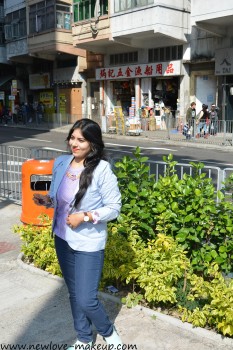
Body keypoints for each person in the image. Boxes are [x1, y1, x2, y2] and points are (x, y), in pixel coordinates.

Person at [33, 119, 123, 349]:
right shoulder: (62, 162)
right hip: (62, 238)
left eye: (81, 140)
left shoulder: (101, 169)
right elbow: (60, 197)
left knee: (86, 298)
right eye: (72, 138)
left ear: (93, 144)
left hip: (88, 242)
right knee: (74, 293)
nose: (74, 143)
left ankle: (109, 332)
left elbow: (114, 208)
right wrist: (47, 201)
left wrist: (84, 217)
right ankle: (83, 338)